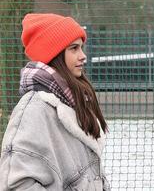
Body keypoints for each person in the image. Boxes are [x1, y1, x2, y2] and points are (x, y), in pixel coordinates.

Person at [0, 13, 110, 190]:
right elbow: (18, 184)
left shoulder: (71, 100)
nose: (83, 56)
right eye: (74, 48)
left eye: (81, 48)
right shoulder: (34, 109)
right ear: (54, 54)